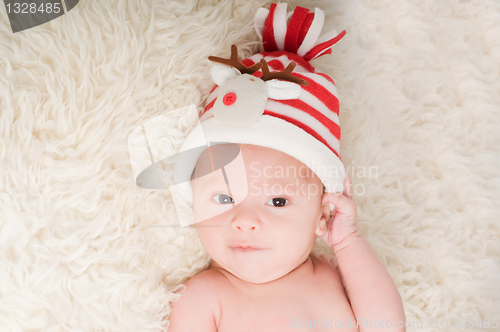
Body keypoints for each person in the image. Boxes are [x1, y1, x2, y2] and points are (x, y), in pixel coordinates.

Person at [167, 3, 406, 331]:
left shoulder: (328, 279)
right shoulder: (205, 297)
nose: (246, 222)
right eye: (223, 199)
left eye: (278, 201)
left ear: (322, 216)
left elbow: (387, 326)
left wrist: (347, 242)